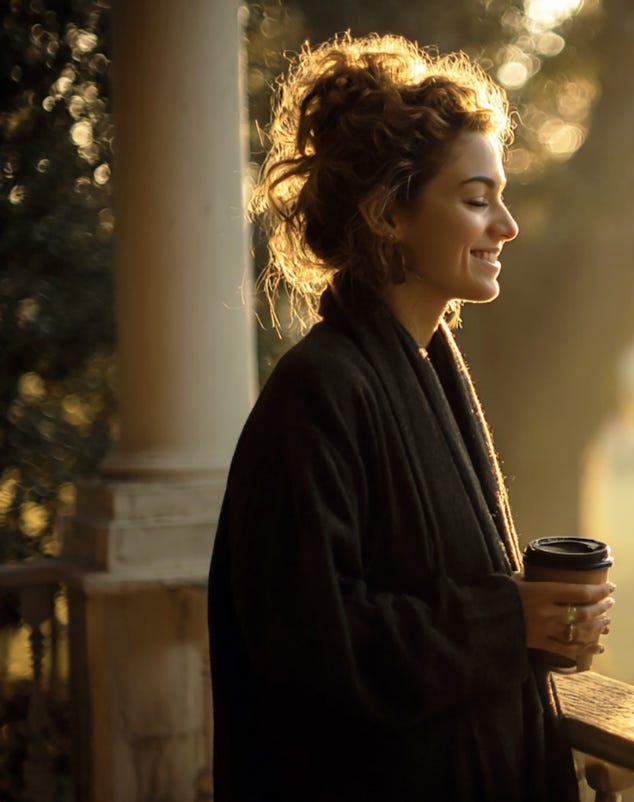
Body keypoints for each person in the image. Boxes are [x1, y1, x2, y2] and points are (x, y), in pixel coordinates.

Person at [207, 33, 613, 801]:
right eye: (476, 199)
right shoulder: (318, 393)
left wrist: (539, 626)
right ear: (387, 215)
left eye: (500, 196)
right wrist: (511, 620)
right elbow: (312, 650)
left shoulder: (427, 369)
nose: (507, 225)